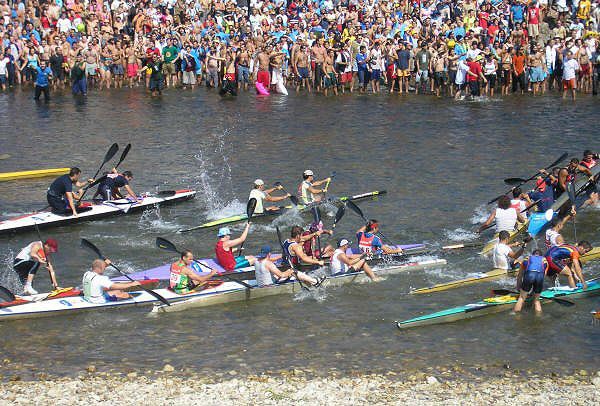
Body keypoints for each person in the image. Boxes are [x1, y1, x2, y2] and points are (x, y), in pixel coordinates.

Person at [254, 246, 324, 287]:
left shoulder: (256, 261)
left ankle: (309, 283)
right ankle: (315, 282)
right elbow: (282, 275)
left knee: (292, 274)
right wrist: (290, 271)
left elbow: (269, 259)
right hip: (270, 285)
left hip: (261, 285)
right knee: (294, 272)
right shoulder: (269, 264)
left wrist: (281, 256)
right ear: (269, 254)